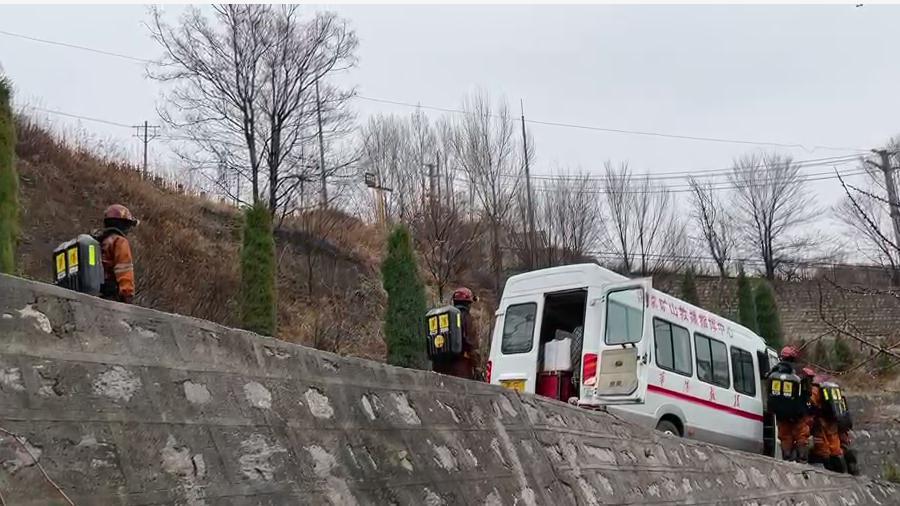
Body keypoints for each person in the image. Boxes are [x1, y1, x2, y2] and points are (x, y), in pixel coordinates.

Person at [768, 346, 812, 462]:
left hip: (781, 415)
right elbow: (808, 393)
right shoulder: (801, 373)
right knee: (802, 435)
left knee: (785, 437)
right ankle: (802, 460)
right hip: (798, 414)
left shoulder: (774, 371)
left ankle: (787, 459)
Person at [433, 287, 480, 380]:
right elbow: (471, 344)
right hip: (461, 369)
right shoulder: (466, 318)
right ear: (468, 304)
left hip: (441, 368)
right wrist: (477, 366)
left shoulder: (444, 318)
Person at [95, 204, 138, 304]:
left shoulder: (100, 242)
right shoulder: (119, 241)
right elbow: (124, 269)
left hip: (97, 295)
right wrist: (127, 295)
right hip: (112, 298)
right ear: (123, 224)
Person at [808, 374, 846, 473]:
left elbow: (811, 404)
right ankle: (840, 470)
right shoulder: (833, 390)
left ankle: (829, 468)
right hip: (833, 421)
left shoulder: (814, 390)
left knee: (823, 447)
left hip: (822, 421)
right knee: (834, 444)